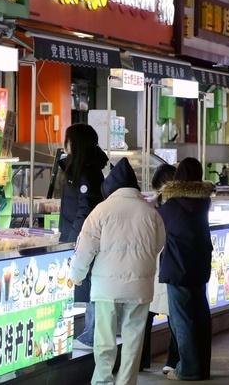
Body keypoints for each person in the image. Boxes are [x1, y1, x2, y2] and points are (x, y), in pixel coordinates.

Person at [70, 158, 165, 385]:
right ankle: (126, 381)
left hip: (107, 286)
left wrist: (77, 276)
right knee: (133, 338)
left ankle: (102, 380)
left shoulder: (101, 211)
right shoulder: (151, 212)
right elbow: (159, 244)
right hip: (140, 285)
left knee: (105, 338)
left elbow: (85, 248)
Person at [159, 158, 214, 380]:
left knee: (181, 320)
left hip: (177, 267)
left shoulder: (171, 205)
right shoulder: (204, 202)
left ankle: (188, 370)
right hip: (199, 266)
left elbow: (159, 225)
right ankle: (202, 367)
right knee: (200, 318)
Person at [59, 123, 109, 351]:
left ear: (75, 143)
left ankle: (91, 335)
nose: (64, 143)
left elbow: (85, 209)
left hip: (83, 238)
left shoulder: (87, 172)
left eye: (67, 139)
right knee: (88, 284)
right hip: (80, 236)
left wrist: (73, 240)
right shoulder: (83, 168)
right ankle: (89, 333)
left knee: (90, 285)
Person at [142, 164, 178, 373]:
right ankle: (169, 361)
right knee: (170, 316)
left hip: (164, 266)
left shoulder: (168, 208)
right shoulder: (161, 206)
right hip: (163, 267)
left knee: (156, 315)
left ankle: (167, 361)